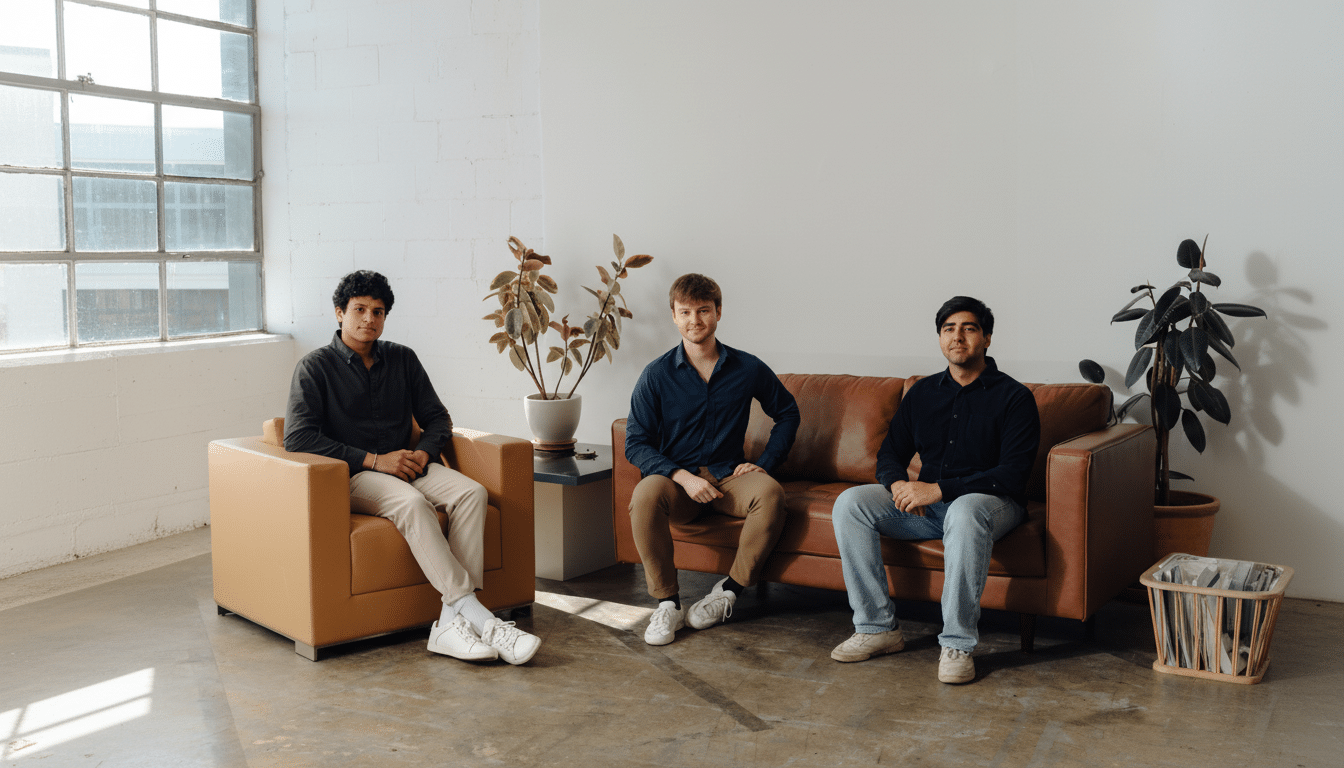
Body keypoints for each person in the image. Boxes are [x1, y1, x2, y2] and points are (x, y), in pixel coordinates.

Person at [285, 270, 541, 665]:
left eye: (378, 311)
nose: (369, 319)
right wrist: (373, 460)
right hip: (354, 475)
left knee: (472, 494)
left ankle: (449, 625)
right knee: (410, 504)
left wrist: (423, 452)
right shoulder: (314, 367)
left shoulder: (403, 359)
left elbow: (437, 418)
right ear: (339, 313)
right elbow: (298, 438)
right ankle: (480, 619)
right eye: (360, 310)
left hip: (409, 465)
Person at [830, 296, 1040, 684]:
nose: (957, 337)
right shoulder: (924, 393)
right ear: (940, 338)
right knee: (850, 503)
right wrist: (898, 485)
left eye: (969, 328)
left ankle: (958, 643)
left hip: (993, 506)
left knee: (964, 510)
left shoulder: (1015, 398)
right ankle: (877, 628)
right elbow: (890, 454)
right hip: (931, 511)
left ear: (987, 338)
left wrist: (938, 489)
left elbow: (1012, 474)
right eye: (949, 329)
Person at [625, 273, 801, 646]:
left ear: (718, 313)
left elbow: (787, 412)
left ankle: (728, 593)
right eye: (685, 312)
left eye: (703, 310)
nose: (694, 320)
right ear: (673, 316)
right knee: (644, 494)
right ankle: (668, 604)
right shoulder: (655, 375)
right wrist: (684, 477)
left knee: (770, 493)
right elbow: (636, 444)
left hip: (728, 476)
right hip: (677, 483)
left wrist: (766, 462)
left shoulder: (746, 367)